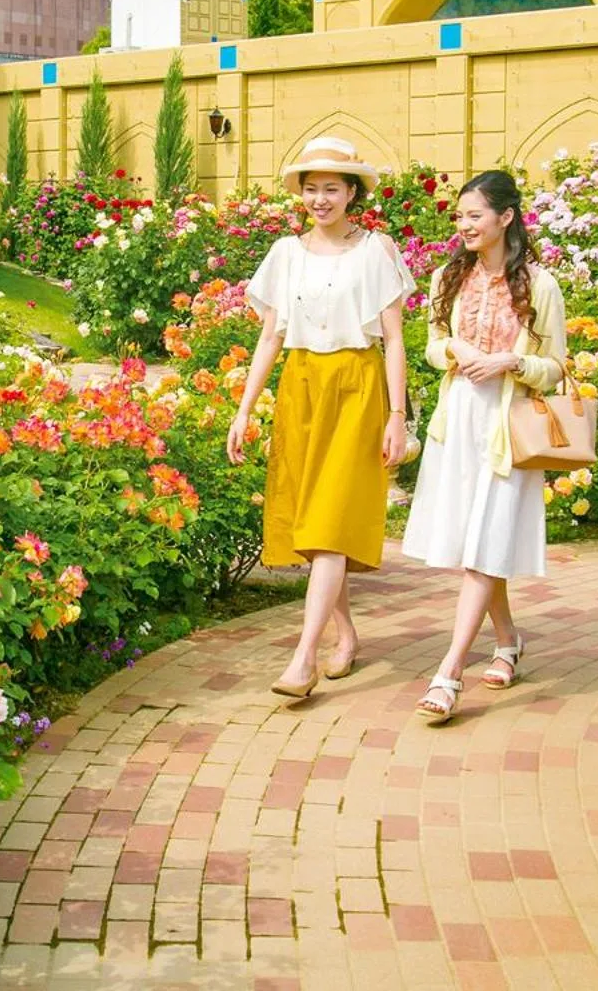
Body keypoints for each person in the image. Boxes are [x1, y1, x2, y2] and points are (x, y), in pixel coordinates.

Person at [228, 136, 415, 699]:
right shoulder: (285, 253)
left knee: (330, 521)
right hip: (301, 388)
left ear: (352, 192)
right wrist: (244, 409)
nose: (320, 199)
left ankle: (302, 659)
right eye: (311, 189)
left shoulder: (376, 249)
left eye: (332, 188)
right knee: (311, 526)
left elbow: (395, 339)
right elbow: (270, 337)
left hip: (357, 388)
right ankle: (346, 635)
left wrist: (397, 415)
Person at [402, 170, 568, 723]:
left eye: (474, 215)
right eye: (460, 216)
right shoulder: (449, 277)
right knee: (475, 544)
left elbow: (555, 367)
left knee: (483, 545)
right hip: (458, 424)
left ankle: (449, 674)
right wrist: (454, 350)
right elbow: (429, 346)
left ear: (505, 217)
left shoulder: (539, 285)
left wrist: (510, 361)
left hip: (508, 424)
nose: (464, 225)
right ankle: (509, 640)